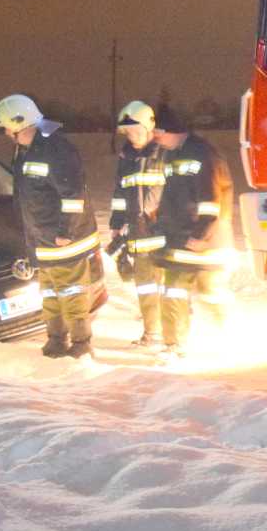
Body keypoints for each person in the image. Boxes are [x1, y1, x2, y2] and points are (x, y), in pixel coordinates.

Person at [0, 93, 103, 359]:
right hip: (42, 240)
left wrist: (65, 232)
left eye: (6, 127)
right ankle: (56, 340)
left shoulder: (56, 149)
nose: (6, 132)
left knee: (73, 293)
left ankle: (81, 344)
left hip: (65, 241)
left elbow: (73, 195)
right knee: (50, 294)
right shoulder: (25, 151)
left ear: (19, 123)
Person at [151, 104, 233, 358]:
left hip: (204, 239)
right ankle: (174, 344)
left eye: (158, 132)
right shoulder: (171, 154)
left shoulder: (202, 154)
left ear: (172, 130)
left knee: (210, 292)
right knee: (173, 289)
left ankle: (224, 335)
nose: (155, 138)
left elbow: (211, 198)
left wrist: (200, 234)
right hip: (179, 236)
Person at [106, 99, 167, 347]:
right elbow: (120, 194)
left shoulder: (166, 153)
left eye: (136, 130)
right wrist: (115, 223)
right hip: (139, 234)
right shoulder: (126, 158)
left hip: (164, 232)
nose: (132, 136)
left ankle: (173, 336)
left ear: (149, 126)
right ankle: (152, 334)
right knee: (144, 286)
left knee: (169, 288)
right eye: (128, 132)